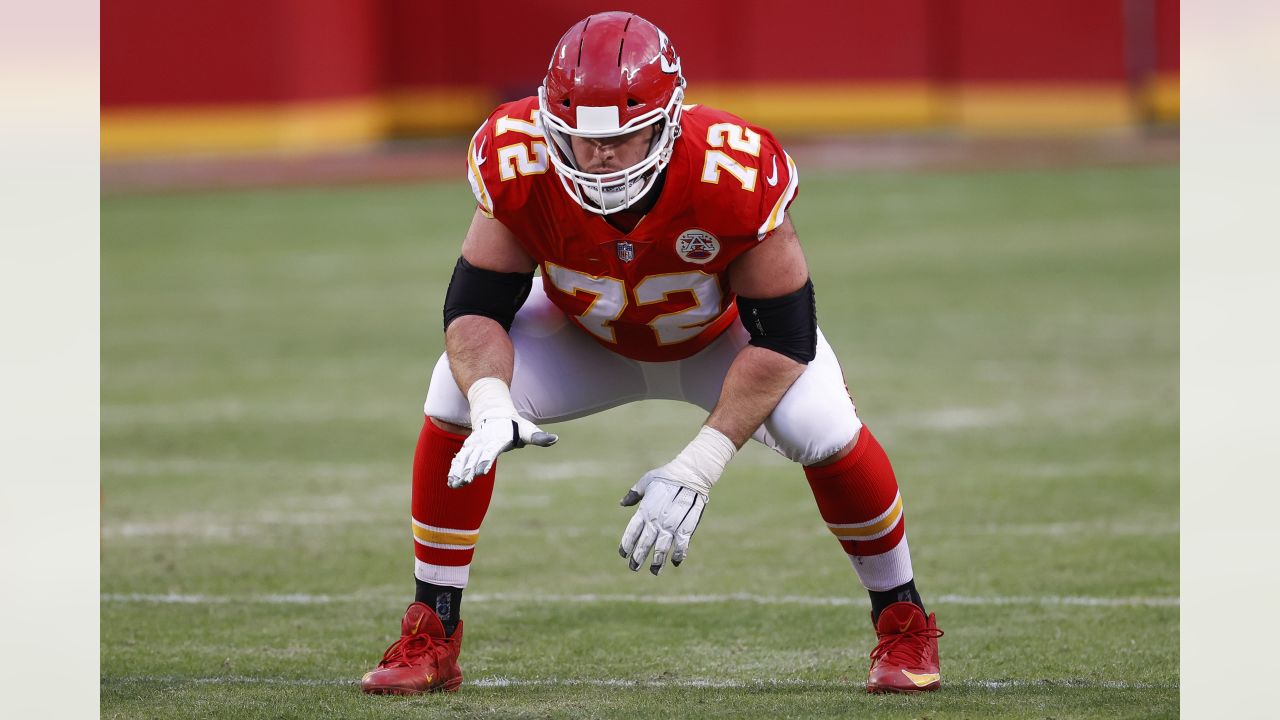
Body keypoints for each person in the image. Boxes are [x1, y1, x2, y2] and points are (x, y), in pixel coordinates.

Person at [360, 11, 943, 696]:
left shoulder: (732, 166)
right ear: (551, 125)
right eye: (581, 139)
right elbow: (475, 308)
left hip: (718, 341)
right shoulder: (517, 155)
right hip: (585, 333)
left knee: (824, 428)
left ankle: (902, 622)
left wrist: (700, 463)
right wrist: (492, 404)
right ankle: (433, 631)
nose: (600, 155)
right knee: (454, 391)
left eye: (623, 136)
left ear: (668, 122)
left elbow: (785, 338)